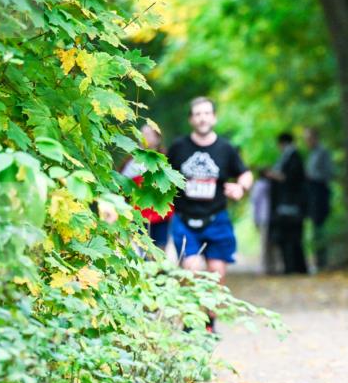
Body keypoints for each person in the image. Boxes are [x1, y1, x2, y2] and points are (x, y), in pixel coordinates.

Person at [168, 97, 253, 312]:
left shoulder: (226, 148)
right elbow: (162, 175)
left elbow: (245, 174)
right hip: (185, 219)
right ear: (191, 119)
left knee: (216, 275)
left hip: (216, 219)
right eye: (197, 114)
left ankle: (209, 323)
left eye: (206, 113)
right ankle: (191, 320)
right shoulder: (179, 147)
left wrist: (240, 188)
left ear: (213, 117)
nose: (202, 118)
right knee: (192, 270)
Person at [120, 123, 173, 252]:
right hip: (139, 214)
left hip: (160, 214)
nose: (144, 137)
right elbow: (122, 187)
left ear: (158, 138)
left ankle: (157, 271)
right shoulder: (131, 162)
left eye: (149, 134)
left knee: (159, 249)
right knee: (142, 248)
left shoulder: (166, 160)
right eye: (142, 133)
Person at [265, 132, 308, 275]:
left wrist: (273, 175)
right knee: (289, 237)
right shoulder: (290, 157)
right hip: (288, 205)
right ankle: (291, 266)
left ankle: (294, 267)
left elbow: (291, 178)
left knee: (291, 237)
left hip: (291, 205)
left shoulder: (293, 158)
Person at [303, 127, 335, 271]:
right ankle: (318, 261)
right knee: (315, 227)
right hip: (312, 193)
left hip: (321, 192)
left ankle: (323, 262)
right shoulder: (311, 154)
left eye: (308, 138)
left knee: (320, 227)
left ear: (315, 138)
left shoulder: (323, 152)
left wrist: (313, 177)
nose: (306, 141)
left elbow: (330, 173)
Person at [250, 166, 280, 274]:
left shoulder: (261, 185)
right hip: (266, 217)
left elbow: (254, 203)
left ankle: (268, 266)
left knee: (266, 243)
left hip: (265, 217)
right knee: (269, 243)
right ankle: (269, 266)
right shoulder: (264, 185)